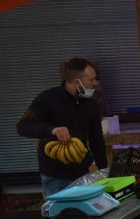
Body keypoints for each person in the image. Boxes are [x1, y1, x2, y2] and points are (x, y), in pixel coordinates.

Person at [17, 58, 107, 197]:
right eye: (92, 79)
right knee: (60, 216)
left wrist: (103, 171)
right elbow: (23, 127)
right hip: (55, 175)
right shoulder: (47, 99)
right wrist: (51, 130)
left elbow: (96, 140)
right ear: (78, 82)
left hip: (81, 171)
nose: (95, 83)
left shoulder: (90, 104)